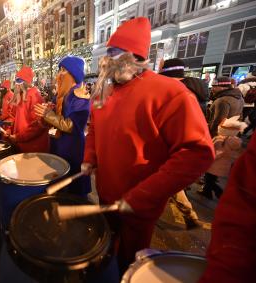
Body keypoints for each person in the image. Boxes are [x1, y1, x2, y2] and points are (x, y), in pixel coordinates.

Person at [81, 18, 215, 273]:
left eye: (116, 54)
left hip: (139, 204)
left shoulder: (170, 93)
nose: (108, 61)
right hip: (107, 194)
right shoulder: (103, 94)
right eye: (108, 54)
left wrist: (141, 196)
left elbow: (197, 153)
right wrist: (90, 157)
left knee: (129, 261)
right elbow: (95, 128)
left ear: (137, 57)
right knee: (104, 247)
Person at [159, 58, 210, 229]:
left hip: (172, 145)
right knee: (172, 182)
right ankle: (188, 213)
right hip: (188, 142)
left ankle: (188, 214)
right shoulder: (197, 90)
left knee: (168, 181)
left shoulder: (179, 92)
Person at [199, 132, 256, 283]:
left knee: (211, 183)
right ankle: (210, 192)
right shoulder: (235, 145)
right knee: (210, 183)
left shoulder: (225, 143)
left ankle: (214, 193)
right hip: (221, 169)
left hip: (216, 167)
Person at [34, 56, 91, 197]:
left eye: (64, 70)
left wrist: (48, 115)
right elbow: (52, 120)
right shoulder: (60, 96)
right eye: (59, 70)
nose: (59, 74)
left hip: (72, 149)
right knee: (60, 184)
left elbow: (72, 126)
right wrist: (45, 115)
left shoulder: (80, 96)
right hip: (58, 146)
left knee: (73, 190)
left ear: (73, 74)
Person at [199, 116, 246, 200]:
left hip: (214, 165)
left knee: (209, 180)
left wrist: (207, 158)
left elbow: (216, 153)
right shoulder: (235, 141)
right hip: (223, 166)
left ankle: (220, 193)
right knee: (211, 180)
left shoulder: (220, 140)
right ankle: (207, 192)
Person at [5, 66, 49, 153]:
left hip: (33, 148)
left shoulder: (35, 96)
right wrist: (9, 129)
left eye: (19, 81)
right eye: (16, 81)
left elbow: (37, 126)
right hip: (21, 145)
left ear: (25, 82)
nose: (16, 84)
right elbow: (13, 116)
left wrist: (19, 137)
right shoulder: (20, 96)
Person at [237, 71, 256, 136]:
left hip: (242, 105)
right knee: (243, 119)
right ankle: (242, 132)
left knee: (238, 119)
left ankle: (237, 133)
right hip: (251, 105)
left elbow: (237, 94)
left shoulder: (243, 85)